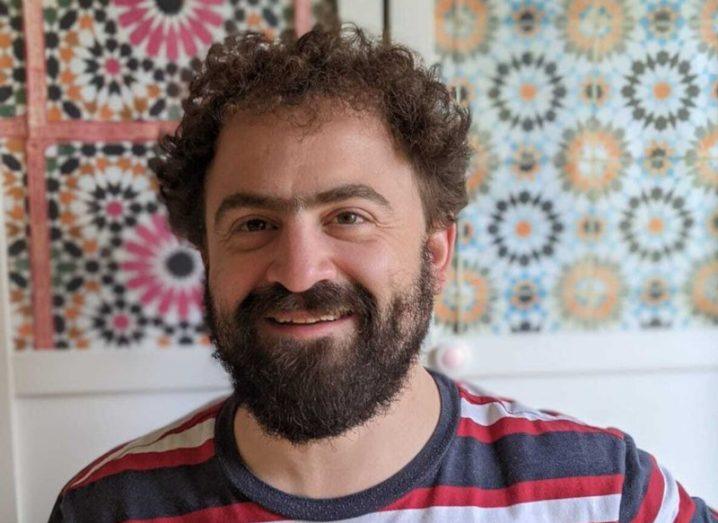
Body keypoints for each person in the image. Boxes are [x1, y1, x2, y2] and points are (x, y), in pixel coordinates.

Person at [49, 26, 716, 522]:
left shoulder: (602, 493)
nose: (301, 271)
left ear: (435, 254)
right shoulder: (107, 507)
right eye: (254, 224)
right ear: (206, 253)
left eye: (349, 215)